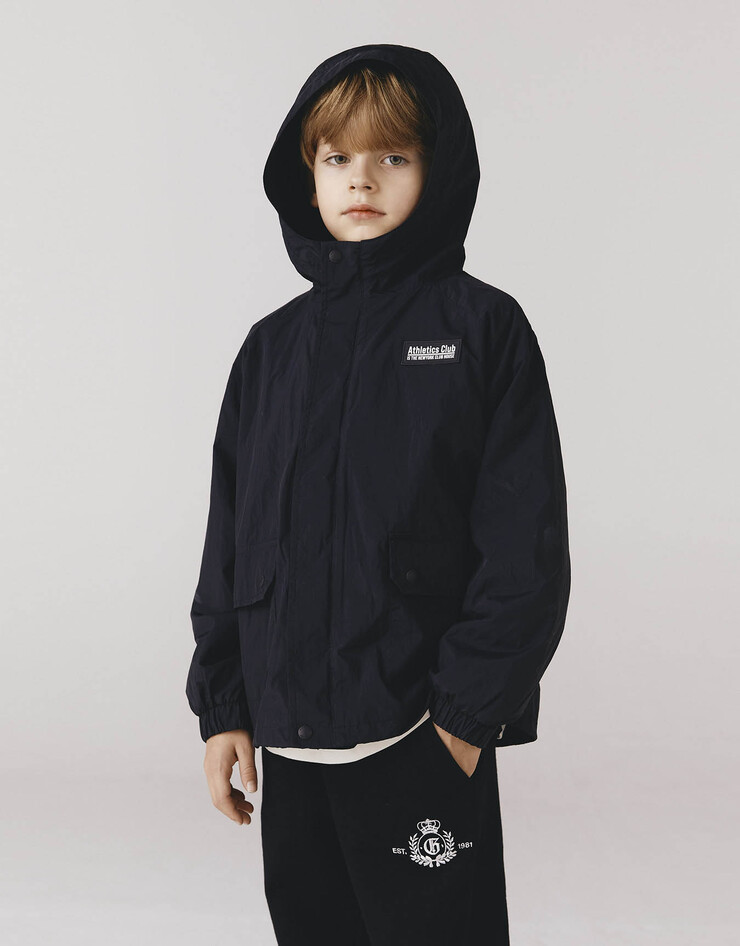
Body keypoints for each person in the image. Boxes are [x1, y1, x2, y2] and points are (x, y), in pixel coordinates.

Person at [186, 43, 571, 946]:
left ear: (438, 172)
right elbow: (231, 538)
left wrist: (463, 723)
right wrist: (224, 707)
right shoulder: (270, 351)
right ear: (308, 176)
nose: (362, 179)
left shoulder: (482, 329)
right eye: (337, 158)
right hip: (288, 740)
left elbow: (525, 546)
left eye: (393, 155)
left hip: (419, 733)